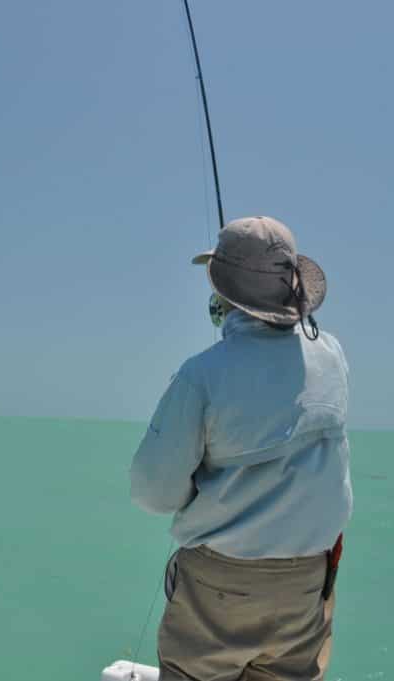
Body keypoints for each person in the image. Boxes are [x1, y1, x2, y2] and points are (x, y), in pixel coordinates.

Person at [130, 216, 352, 681]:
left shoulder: (202, 375)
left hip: (220, 586)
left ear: (223, 294)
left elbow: (153, 494)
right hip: (306, 583)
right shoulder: (332, 356)